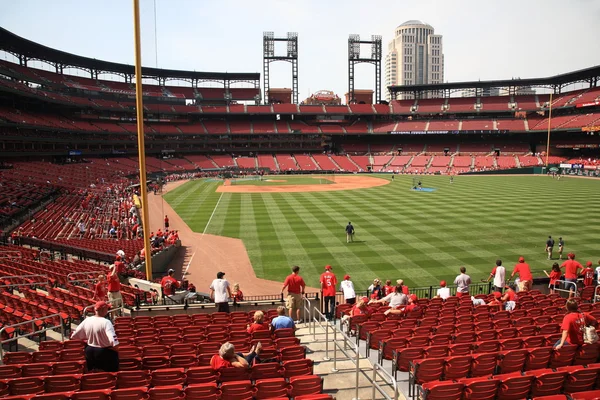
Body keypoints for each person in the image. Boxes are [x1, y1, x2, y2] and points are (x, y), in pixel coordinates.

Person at [70, 301, 119, 372]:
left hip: (90, 351)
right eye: (107, 308)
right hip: (104, 352)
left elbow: (74, 336)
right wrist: (116, 349)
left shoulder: (87, 320)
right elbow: (113, 340)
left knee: (93, 374)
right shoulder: (106, 322)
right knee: (110, 375)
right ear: (103, 310)